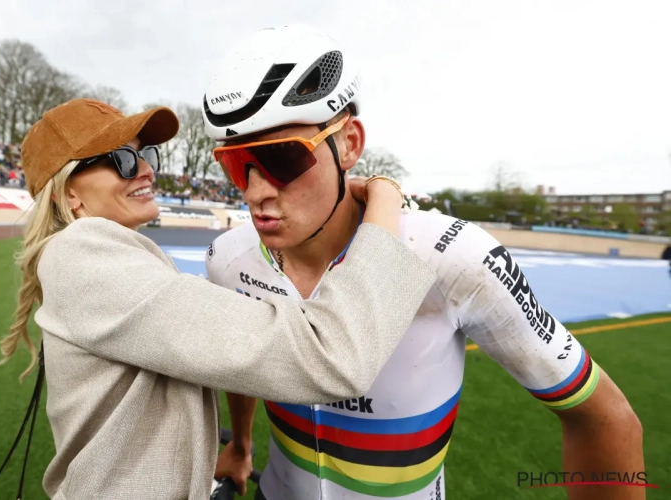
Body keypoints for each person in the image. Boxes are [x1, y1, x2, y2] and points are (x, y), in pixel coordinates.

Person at [202, 25, 645, 500]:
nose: (254, 191)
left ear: (349, 143)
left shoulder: (456, 258)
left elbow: (605, 416)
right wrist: (243, 443)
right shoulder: (229, 259)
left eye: (282, 160)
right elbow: (242, 362)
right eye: (235, 164)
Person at [0, 97, 439, 500]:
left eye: (148, 154)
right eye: (124, 160)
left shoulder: (100, 258)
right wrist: (384, 198)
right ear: (68, 191)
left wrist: (218, 458)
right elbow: (332, 355)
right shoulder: (83, 255)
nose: (147, 169)